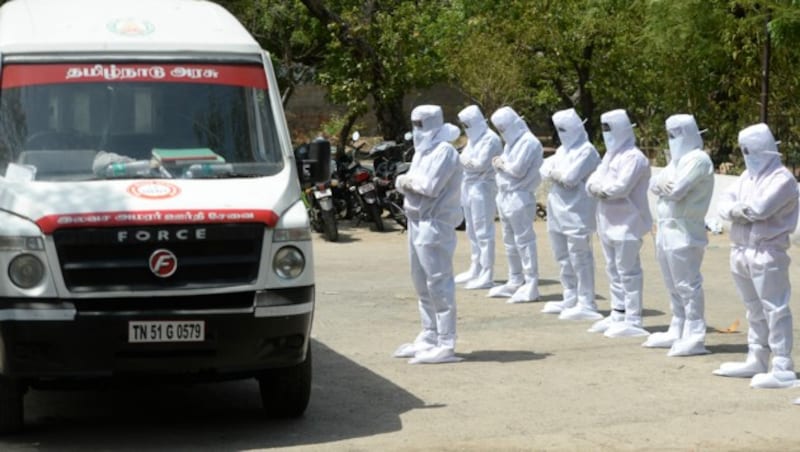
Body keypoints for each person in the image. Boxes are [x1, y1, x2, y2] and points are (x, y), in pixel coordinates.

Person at [713, 123, 799, 389]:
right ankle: (757, 357)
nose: (746, 154)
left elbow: (760, 209)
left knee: (774, 308)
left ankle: (783, 364)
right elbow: (722, 206)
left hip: (767, 251)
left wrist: (735, 211)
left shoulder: (782, 179)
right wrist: (739, 210)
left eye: (749, 149)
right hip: (740, 250)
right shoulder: (746, 178)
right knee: (753, 309)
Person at [392, 104, 464, 364]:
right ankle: (429, 333)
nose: (417, 130)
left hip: (435, 224)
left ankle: (446, 341)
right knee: (420, 282)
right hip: (416, 221)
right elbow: (414, 181)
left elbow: (428, 186)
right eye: (415, 124)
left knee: (439, 283)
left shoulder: (444, 151)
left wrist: (405, 182)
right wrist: (408, 182)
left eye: (421, 124)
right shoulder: (423, 151)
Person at [642, 114, 714, 356]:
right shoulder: (676, 161)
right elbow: (654, 183)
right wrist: (663, 186)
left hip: (685, 231)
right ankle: (678, 326)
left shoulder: (698, 159)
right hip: (665, 229)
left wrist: (663, 187)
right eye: (669, 134)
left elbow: (677, 190)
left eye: (676, 134)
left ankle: (695, 334)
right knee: (672, 283)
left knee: (688, 284)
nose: (672, 139)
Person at [586, 109, 652, 338]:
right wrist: (600, 188)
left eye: (609, 129)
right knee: (613, 269)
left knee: (629, 271)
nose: (606, 135)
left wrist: (600, 189)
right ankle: (618, 312)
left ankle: (633, 318)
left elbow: (620, 187)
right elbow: (593, 180)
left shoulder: (634, 157)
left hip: (627, 223)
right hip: (606, 221)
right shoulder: (610, 156)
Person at [539, 108, 603, 320]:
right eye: (560, 130)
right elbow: (544, 169)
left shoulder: (587, 151)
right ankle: (570, 294)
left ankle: (586, 300)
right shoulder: (563, 151)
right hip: (557, 209)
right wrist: (556, 174)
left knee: (580, 257)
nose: (563, 133)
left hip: (577, 211)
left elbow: (570, 178)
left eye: (565, 129)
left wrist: (555, 174)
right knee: (562, 255)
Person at [487, 106, 543, 303]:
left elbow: (517, 169)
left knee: (524, 241)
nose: (503, 133)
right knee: (509, 241)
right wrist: (502, 164)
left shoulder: (529, 142)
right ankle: (515, 279)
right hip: (504, 195)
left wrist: (502, 165)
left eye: (504, 129)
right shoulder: (512, 143)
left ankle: (531, 282)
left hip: (520, 196)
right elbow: (505, 164)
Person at [454, 105, 503, 290]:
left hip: (483, 187)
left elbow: (480, 164)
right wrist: (465, 162)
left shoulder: (491, 139)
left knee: (484, 231)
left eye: (468, 124)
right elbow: (467, 160)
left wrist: (464, 161)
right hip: (468, 185)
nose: (466, 128)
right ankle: (476, 266)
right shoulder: (473, 140)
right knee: (471, 230)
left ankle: (487, 271)